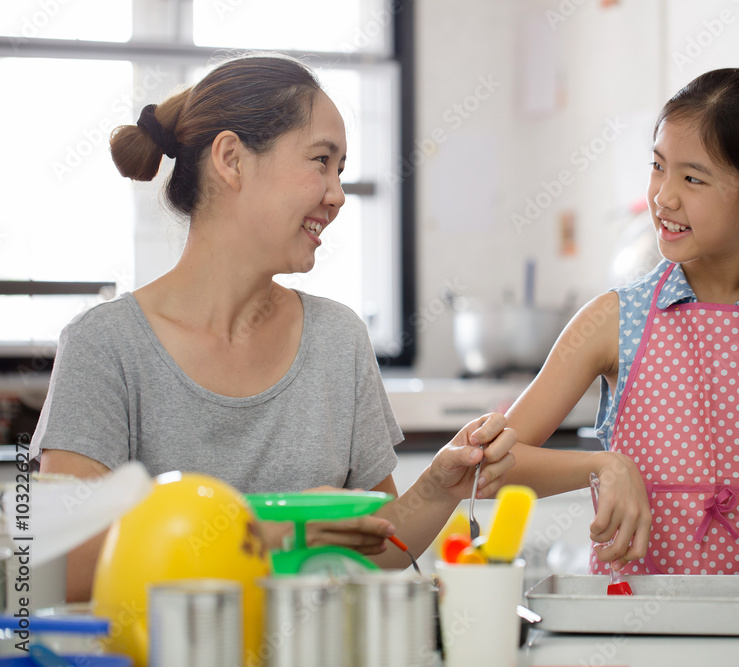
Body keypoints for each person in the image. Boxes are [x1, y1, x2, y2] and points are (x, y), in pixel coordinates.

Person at [30, 54, 516, 601]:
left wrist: (438, 485)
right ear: (232, 159)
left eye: (341, 168)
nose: (337, 194)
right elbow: (61, 568)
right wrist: (267, 534)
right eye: (321, 161)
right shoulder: (106, 347)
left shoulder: (339, 339)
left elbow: (373, 548)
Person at [504, 68, 739, 616]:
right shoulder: (611, 320)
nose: (663, 197)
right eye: (658, 166)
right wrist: (600, 467)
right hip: (628, 634)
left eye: (693, 179)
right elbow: (496, 464)